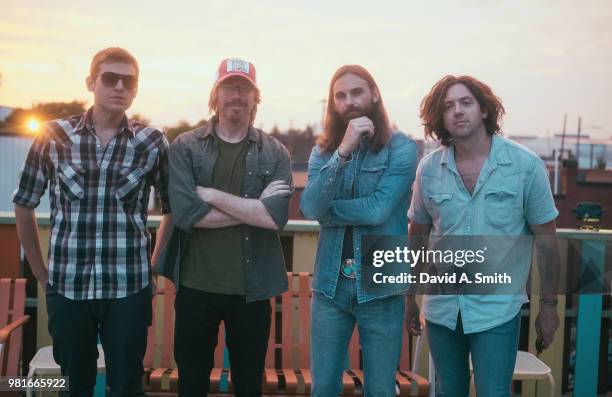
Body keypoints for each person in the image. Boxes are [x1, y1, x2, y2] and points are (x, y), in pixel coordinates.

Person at [13, 47, 173, 396]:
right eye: (109, 78)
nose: (119, 87)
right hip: (68, 287)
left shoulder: (152, 142)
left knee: (128, 386)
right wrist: (42, 274)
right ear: (91, 82)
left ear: (135, 89)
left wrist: (154, 264)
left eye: (127, 81)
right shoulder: (53, 136)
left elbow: (171, 209)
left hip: (129, 288)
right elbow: (24, 204)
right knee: (74, 387)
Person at [406, 75, 561, 396]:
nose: (457, 111)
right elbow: (417, 236)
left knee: (493, 392)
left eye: (466, 103)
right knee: (449, 391)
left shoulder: (525, 166)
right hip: (442, 309)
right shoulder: (429, 169)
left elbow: (547, 243)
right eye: (448, 106)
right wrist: (408, 297)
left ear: (484, 111)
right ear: (441, 118)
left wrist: (548, 307)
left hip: (497, 312)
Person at [159, 58, 292, 396]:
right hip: (194, 288)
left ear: (255, 98)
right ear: (215, 94)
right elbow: (188, 216)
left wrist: (213, 195)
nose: (237, 95)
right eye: (229, 87)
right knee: (192, 382)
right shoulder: (185, 147)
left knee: (249, 384)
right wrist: (254, 208)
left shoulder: (275, 152)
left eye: (244, 89)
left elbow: (275, 218)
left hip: (252, 291)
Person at [300, 64, 417, 396]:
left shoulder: (402, 149)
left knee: (380, 389)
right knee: (323, 388)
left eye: (357, 92)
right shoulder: (323, 152)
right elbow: (309, 208)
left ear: (375, 95)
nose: (349, 101)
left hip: (381, 286)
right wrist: (342, 152)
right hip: (330, 286)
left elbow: (379, 209)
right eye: (340, 95)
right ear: (332, 104)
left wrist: (328, 213)